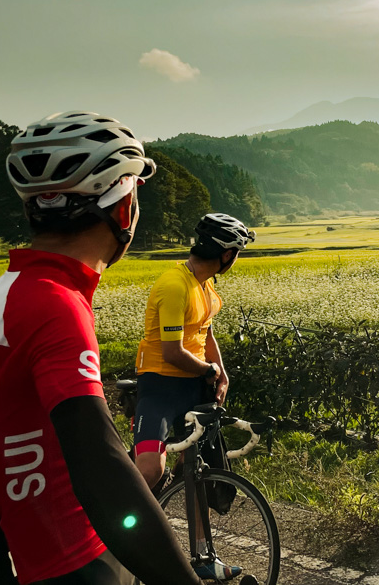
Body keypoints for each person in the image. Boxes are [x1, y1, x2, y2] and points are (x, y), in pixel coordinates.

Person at [0, 111, 201, 585]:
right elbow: (101, 468)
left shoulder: (14, 286)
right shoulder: (55, 306)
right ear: (123, 210)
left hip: (3, 548)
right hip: (65, 560)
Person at [132, 212, 255, 580]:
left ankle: (202, 557)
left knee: (196, 473)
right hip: (160, 386)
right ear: (224, 253)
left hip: (192, 386)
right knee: (151, 469)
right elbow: (172, 352)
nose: (235, 259)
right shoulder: (175, 285)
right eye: (235, 251)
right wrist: (208, 370)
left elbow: (206, 333)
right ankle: (118, 539)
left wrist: (221, 370)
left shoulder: (205, 286)